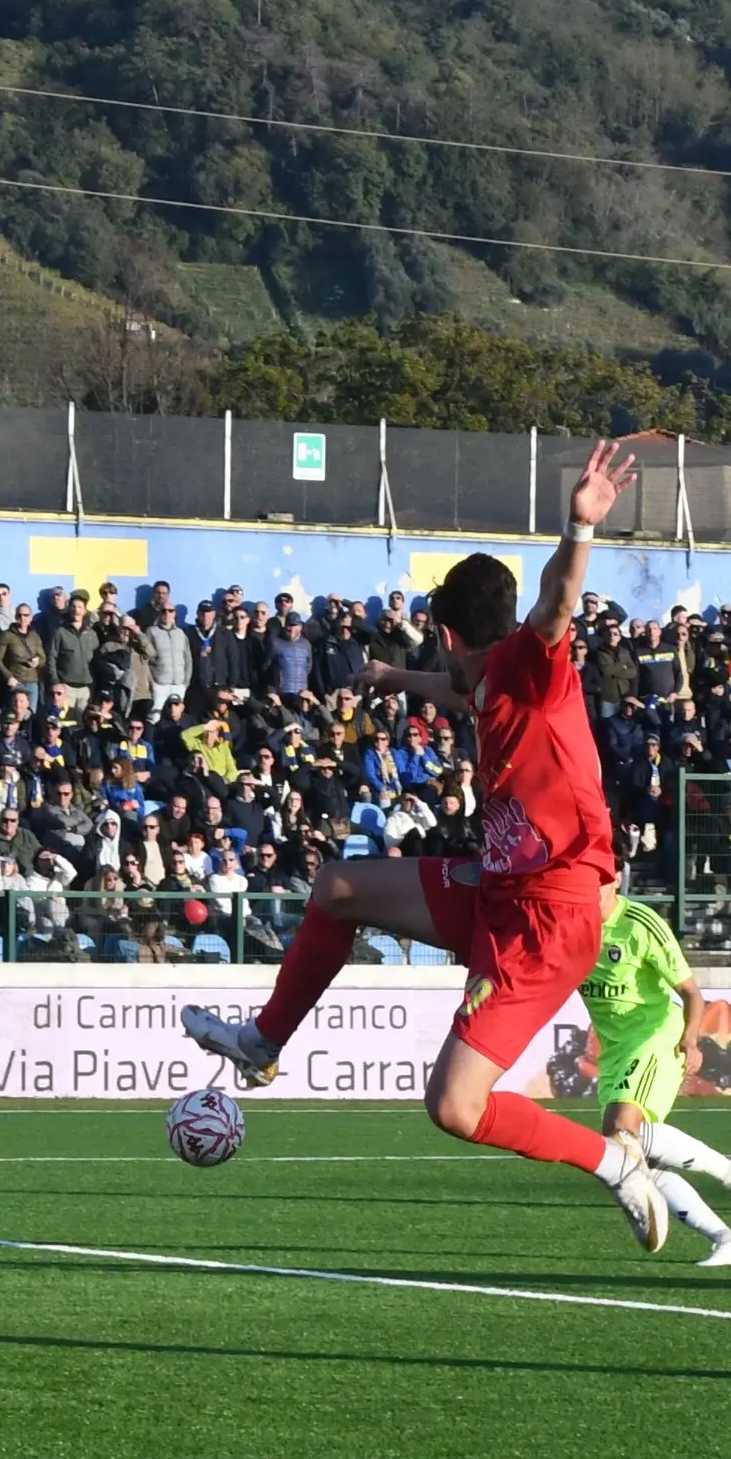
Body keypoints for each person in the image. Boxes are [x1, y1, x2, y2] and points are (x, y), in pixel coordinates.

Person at [180, 442, 678, 1249]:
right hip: (500, 889)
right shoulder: (482, 676)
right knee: (338, 887)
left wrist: (579, 528)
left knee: (455, 1106)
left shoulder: (529, 662)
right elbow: (455, 687)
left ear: (447, 629)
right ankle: (264, 1044)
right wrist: (387, 677)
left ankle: (614, 1164)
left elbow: (556, 608)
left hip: (549, 918)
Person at [581, 893, 731, 1265]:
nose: (591, 885)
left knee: (623, 1131)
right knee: (631, 1159)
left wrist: (690, 1040)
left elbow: (691, 993)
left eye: (601, 877)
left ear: (616, 878)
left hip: (653, 1034)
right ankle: (728, 1239)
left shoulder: (640, 923)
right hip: (615, 1047)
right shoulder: (569, 923)